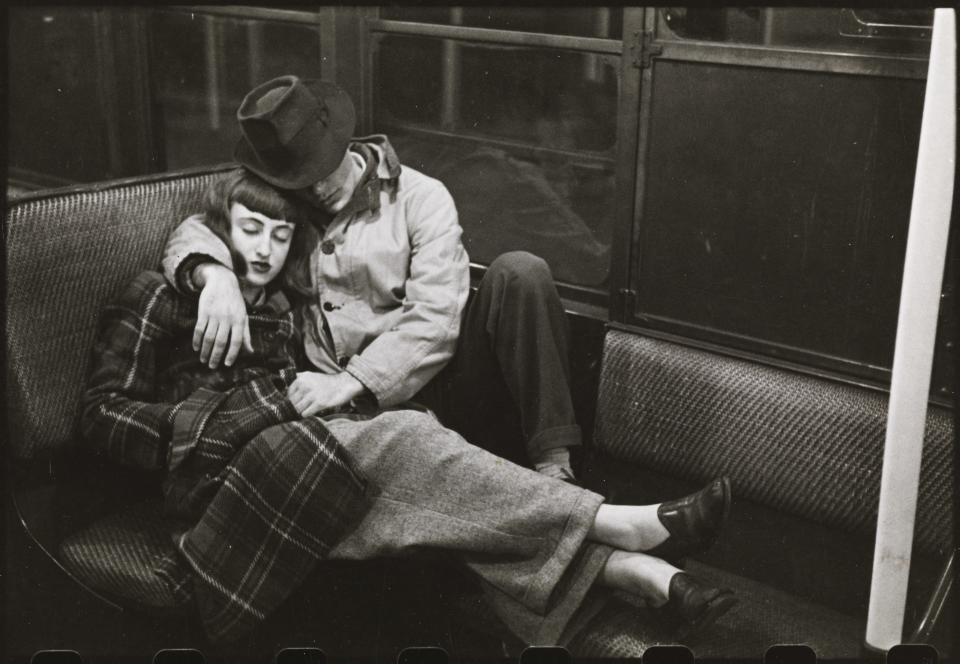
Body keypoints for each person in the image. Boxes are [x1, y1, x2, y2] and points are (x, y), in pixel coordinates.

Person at [83, 168, 738, 646]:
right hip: (217, 481)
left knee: (424, 513)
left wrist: (310, 396)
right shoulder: (162, 296)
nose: (262, 249)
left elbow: (424, 326)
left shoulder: (286, 307)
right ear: (222, 229)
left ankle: (641, 572)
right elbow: (99, 414)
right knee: (400, 443)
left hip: (298, 450)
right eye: (249, 230)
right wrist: (192, 425)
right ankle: (620, 527)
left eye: (280, 236)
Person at [161, 75, 584, 483]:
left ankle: (554, 463)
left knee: (521, 272)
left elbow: (435, 318)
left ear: (341, 142)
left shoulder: (422, 197)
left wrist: (349, 382)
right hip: (349, 409)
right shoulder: (285, 195)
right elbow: (202, 225)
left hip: (438, 378)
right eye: (300, 178)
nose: (315, 187)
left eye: (321, 167)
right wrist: (214, 274)